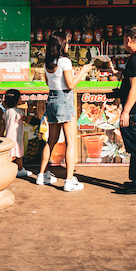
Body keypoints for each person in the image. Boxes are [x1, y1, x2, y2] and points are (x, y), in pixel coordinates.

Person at [37, 31, 92, 192]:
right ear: (62, 45)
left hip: (52, 101)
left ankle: (41, 175)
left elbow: (48, 82)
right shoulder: (65, 61)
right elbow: (71, 84)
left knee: (51, 140)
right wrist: (83, 71)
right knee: (70, 142)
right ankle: (69, 181)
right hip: (64, 101)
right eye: (67, 42)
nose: (69, 45)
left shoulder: (48, 63)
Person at [108, 25, 136, 194]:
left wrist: (126, 111)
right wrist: (114, 72)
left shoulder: (135, 60)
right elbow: (132, 79)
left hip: (135, 111)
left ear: (128, 39)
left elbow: (135, 87)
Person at [3, 89, 34, 178]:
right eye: (20, 98)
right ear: (16, 100)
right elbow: (27, 120)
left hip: (9, 136)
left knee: (17, 154)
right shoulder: (18, 111)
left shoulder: (7, 111)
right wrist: (30, 110)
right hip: (16, 137)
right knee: (14, 155)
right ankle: (2, 167)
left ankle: (20, 169)